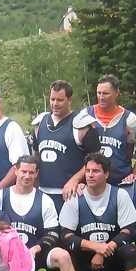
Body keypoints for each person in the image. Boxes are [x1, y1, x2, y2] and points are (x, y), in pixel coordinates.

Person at [59, 153, 136, 271]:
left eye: (96, 171)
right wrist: (95, 247)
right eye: (88, 171)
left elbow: (130, 230)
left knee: (131, 250)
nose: (90, 175)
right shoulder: (75, 196)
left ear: (106, 174)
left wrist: (105, 249)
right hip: (88, 257)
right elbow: (66, 236)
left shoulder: (119, 194)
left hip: (113, 254)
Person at [31, 79, 100, 213]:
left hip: (71, 194)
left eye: (60, 100)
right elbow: (35, 157)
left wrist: (76, 179)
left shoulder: (82, 125)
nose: (55, 104)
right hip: (42, 193)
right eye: (52, 99)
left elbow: (96, 161)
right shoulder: (40, 123)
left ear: (69, 100)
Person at [86, 74, 136, 186]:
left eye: (105, 93)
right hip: (92, 182)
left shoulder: (129, 118)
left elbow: (130, 149)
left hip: (120, 180)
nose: (101, 97)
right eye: (99, 93)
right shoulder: (86, 115)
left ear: (116, 93)